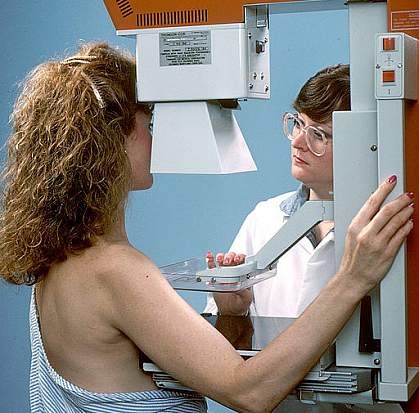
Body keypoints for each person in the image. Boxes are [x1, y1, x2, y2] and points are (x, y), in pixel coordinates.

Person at [0, 43, 414, 413]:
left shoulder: (56, 262)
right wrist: (352, 278)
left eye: (319, 133)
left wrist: (234, 316)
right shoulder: (115, 272)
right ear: (112, 142)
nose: (154, 136)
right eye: (148, 122)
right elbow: (249, 391)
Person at [205, 65, 352, 318]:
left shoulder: (380, 228)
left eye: (318, 134)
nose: (297, 142)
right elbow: (224, 342)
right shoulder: (264, 219)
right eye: (298, 123)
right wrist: (232, 313)